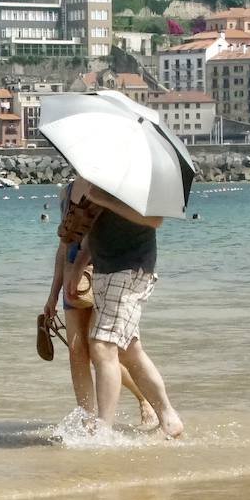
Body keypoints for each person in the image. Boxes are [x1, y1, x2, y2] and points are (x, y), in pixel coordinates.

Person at [67, 177, 182, 438]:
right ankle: (169, 418)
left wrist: (104, 199)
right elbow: (92, 231)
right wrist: (77, 267)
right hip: (105, 269)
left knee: (102, 345)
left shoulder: (142, 179)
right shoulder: (104, 178)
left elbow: (155, 220)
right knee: (129, 350)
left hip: (132, 268)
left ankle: (102, 432)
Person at [44, 182, 159, 429]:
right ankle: (86, 421)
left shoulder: (109, 187)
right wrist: (53, 293)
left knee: (105, 348)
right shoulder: (67, 191)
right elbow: (64, 246)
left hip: (104, 269)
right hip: (72, 272)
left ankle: (143, 401)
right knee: (77, 351)